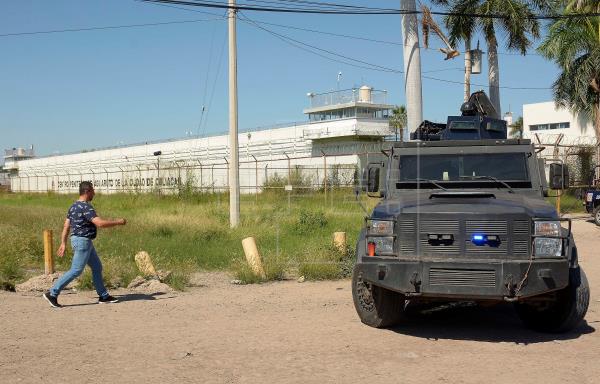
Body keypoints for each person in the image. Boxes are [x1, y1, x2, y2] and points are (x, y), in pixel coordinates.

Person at [43, 181, 126, 308]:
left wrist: (63, 243)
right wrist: (118, 222)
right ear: (87, 191)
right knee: (76, 270)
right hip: (83, 241)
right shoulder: (86, 207)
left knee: (97, 267)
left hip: (80, 241)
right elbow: (99, 223)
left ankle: (103, 296)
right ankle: (53, 293)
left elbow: (66, 226)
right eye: (93, 190)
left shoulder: (73, 206)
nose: (94, 193)